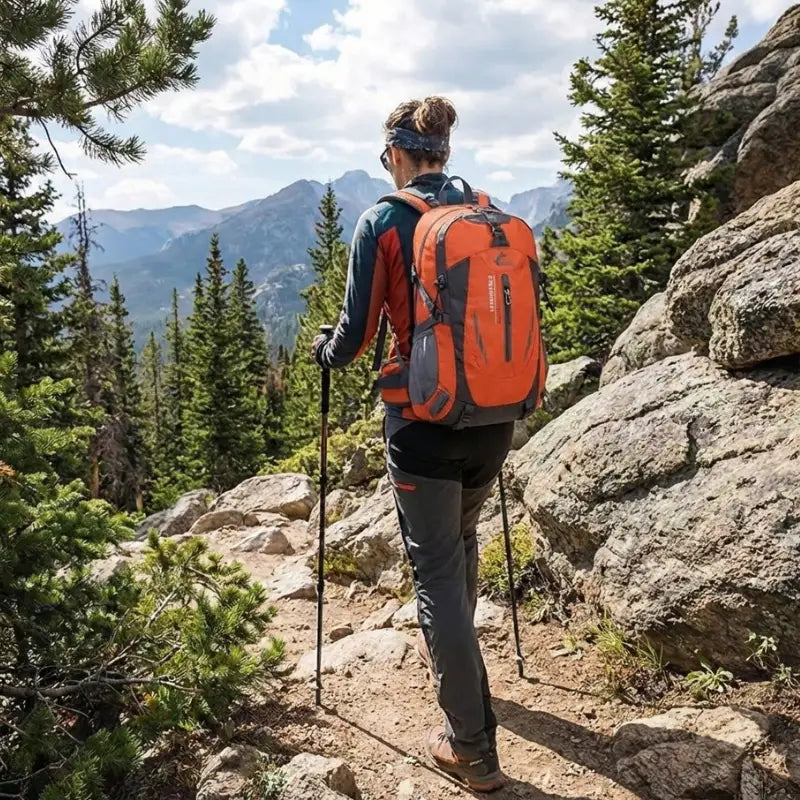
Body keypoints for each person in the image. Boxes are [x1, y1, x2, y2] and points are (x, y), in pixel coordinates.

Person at [312, 96, 513, 793]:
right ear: (445, 152)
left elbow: (355, 338)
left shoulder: (385, 219)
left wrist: (322, 352)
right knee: (459, 543)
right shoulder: (485, 212)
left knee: (434, 575)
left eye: (385, 156)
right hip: (495, 416)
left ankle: (471, 748)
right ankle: (469, 682)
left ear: (396, 153)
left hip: (423, 424)